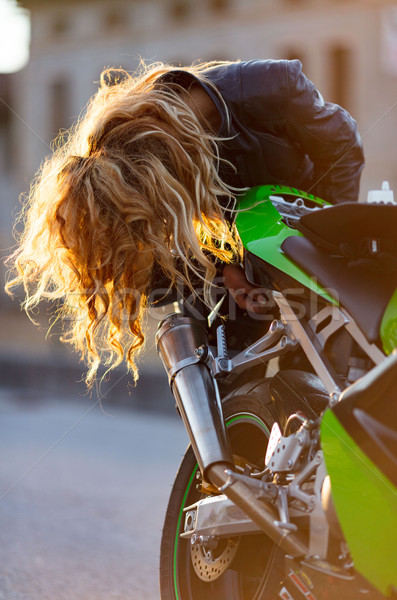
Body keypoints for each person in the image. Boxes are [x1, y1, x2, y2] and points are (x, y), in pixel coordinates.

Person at [5, 59, 364, 386]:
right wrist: (228, 269)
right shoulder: (138, 160)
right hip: (232, 260)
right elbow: (183, 249)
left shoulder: (270, 86)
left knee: (323, 384)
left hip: (315, 247)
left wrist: (323, 250)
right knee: (214, 387)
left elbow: (344, 145)